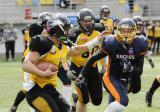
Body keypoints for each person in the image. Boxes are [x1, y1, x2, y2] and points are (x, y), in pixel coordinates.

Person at [22, 15, 105, 112]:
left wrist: (97, 40)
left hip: (49, 88)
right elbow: (26, 64)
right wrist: (43, 74)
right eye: (66, 29)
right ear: (58, 29)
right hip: (35, 89)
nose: (68, 31)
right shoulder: (43, 42)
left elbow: (78, 49)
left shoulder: (63, 44)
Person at [75, 18, 148, 112]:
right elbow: (93, 58)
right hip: (111, 77)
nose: (126, 33)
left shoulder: (140, 43)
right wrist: (82, 75)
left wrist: (130, 68)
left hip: (126, 79)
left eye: (128, 31)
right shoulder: (111, 42)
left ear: (134, 31)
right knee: (123, 101)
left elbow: (139, 70)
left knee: (118, 106)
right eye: (123, 31)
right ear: (118, 30)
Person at [67, 8, 105, 112]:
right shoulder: (74, 33)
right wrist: (68, 69)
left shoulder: (100, 29)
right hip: (78, 68)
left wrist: (104, 65)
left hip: (92, 67)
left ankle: (75, 96)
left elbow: (105, 48)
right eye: (85, 21)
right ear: (79, 21)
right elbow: (67, 51)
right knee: (83, 99)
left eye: (90, 20)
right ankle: (78, 97)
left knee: (97, 100)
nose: (88, 23)